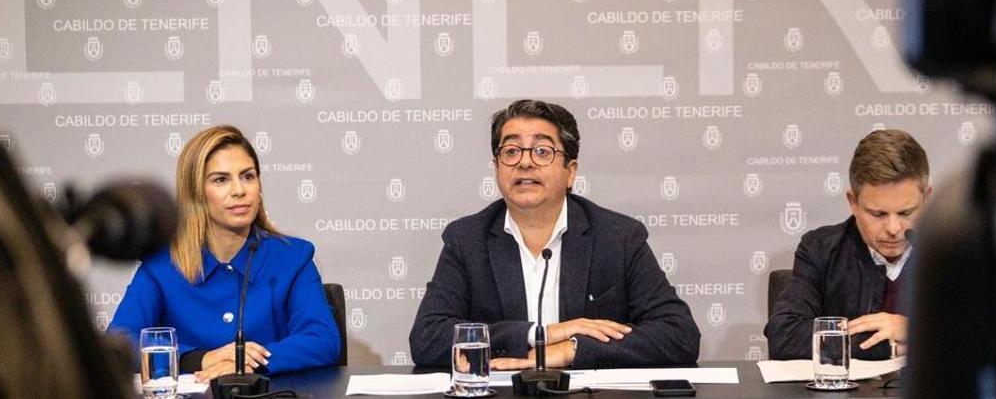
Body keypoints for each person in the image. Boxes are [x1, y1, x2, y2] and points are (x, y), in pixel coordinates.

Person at [409, 100, 700, 369]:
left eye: (542, 151)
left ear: (570, 171)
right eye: (510, 151)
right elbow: (427, 337)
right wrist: (542, 334)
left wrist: (570, 350)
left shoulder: (618, 237)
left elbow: (679, 335)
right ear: (496, 167)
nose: (524, 162)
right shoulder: (467, 239)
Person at [110, 125, 340, 380]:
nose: (240, 190)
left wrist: (247, 363)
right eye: (221, 180)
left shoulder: (292, 257)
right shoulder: (162, 266)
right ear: (195, 193)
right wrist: (200, 359)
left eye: (248, 176)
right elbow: (119, 342)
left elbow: (323, 339)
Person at [765, 129, 930, 360]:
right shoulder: (821, 249)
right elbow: (785, 335)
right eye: (878, 214)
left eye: (906, 212)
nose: (893, 228)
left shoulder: (954, 252)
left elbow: (985, 334)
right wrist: (885, 346)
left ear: (927, 198)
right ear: (853, 202)